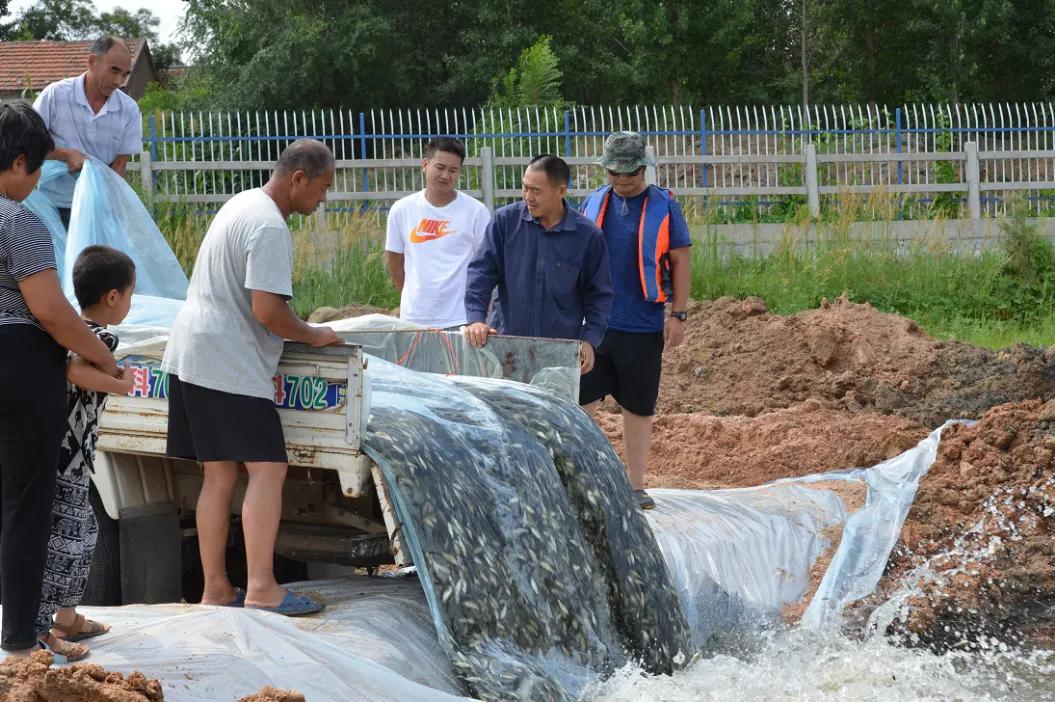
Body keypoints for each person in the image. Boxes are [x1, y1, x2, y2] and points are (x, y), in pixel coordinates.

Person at [161, 139, 342, 616]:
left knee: (219, 473)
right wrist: (314, 334)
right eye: (322, 187)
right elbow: (268, 311)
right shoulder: (269, 225)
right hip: (228, 361)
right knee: (268, 468)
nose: (323, 198)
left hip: (191, 352)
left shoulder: (241, 203)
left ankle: (216, 588)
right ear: (298, 178)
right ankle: (262, 587)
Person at [0, 103, 119, 657]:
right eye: (36, 170)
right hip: (20, 365)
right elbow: (50, 311)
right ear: (19, 161)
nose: (36, 184)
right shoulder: (16, 219)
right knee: (27, 506)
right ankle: (21, 640)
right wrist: (102, 356)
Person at [578, 132, 692, 510]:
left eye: (630, 173)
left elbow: (680, 261)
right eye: (615, 173)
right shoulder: (592, 202)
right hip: (595, 327)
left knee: (638, 407)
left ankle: (635, 485)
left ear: (644, 169)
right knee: (581, 405)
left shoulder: (665, 206)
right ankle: (583, 483)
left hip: (642, 325)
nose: (623, 180)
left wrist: (678, 314)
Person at [35, 245, 137, 662]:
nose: (129, 304)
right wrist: (122, 384)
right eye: (129, 295)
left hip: (65, 455)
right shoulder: (101, 337)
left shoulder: (70, 330)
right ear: (112, 297)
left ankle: (67, 617)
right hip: (68, 457)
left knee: (86, 532)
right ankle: (42, 630)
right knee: (64, 542)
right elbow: (76, 369)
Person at [463, 155, 613, 374]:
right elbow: (481, 273)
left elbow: (599, 296)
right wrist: (476, 319)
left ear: (561, 191)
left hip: (559, 353)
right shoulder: (505, 222)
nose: (528, 197)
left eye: (536, 191)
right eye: (525, 188)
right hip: (505, 348)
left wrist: (590, 340)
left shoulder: (588, 236)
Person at [32, 34, 142, 229]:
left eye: (125, 74)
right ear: (92, 61)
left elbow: (120, 164)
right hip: (50, 206)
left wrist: (108, 207)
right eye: (114, 71)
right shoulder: (55, 95)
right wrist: (66, 155)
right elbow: (29, 142)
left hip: (95, 208)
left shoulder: (128, 110)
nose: (119, 81)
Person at [385, 137, 490, 329]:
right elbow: (394, 260)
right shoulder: (401, 210)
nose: (445, 175)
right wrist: (414, 297)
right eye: (440, 167)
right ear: (425, 165)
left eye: (453, 170)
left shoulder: (476, 212)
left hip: (460, 318)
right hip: (414, 319)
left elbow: (486, 265)